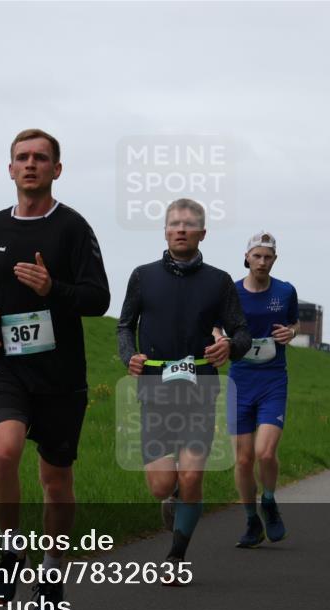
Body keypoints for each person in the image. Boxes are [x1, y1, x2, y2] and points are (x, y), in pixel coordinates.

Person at [0, 129, 110, 610]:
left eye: (41, 158)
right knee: (2, 451)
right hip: (5, 364)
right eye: (21, 157)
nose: (30, 164)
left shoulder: (73, 228)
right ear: (10, 169)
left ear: (57, 169)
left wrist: (53, 288)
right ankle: (9, 550)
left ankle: (52, 569)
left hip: (60, 374)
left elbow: (98, 298)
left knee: (56, 482)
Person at [117, 198, 251, 583]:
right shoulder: (143, 276)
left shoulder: (219, 281)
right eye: (174, 223)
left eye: (189, 224)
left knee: (192, 476)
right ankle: (173, 500)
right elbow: (124, 326)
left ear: (202, 233)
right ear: (165, 230)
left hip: (200, 391)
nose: (180, 229)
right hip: (155, 392)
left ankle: (176, 558)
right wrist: (130, 356)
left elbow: (241, 332)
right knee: (162, 485)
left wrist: (229, 346)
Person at [220, 231, 298, 547]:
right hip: (240, 379)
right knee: (242, 460)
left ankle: (268, 500)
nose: (262, 262)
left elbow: (292, 324)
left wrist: (290, 333)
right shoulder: (231, 292)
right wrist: (218, 337)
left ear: (274, 260)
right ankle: (252, 521)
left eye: (268, 257)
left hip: (273, 379)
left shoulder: (285, 291)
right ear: (247, 258)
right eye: (257, 256)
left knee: (265, 452)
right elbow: (215, 323)